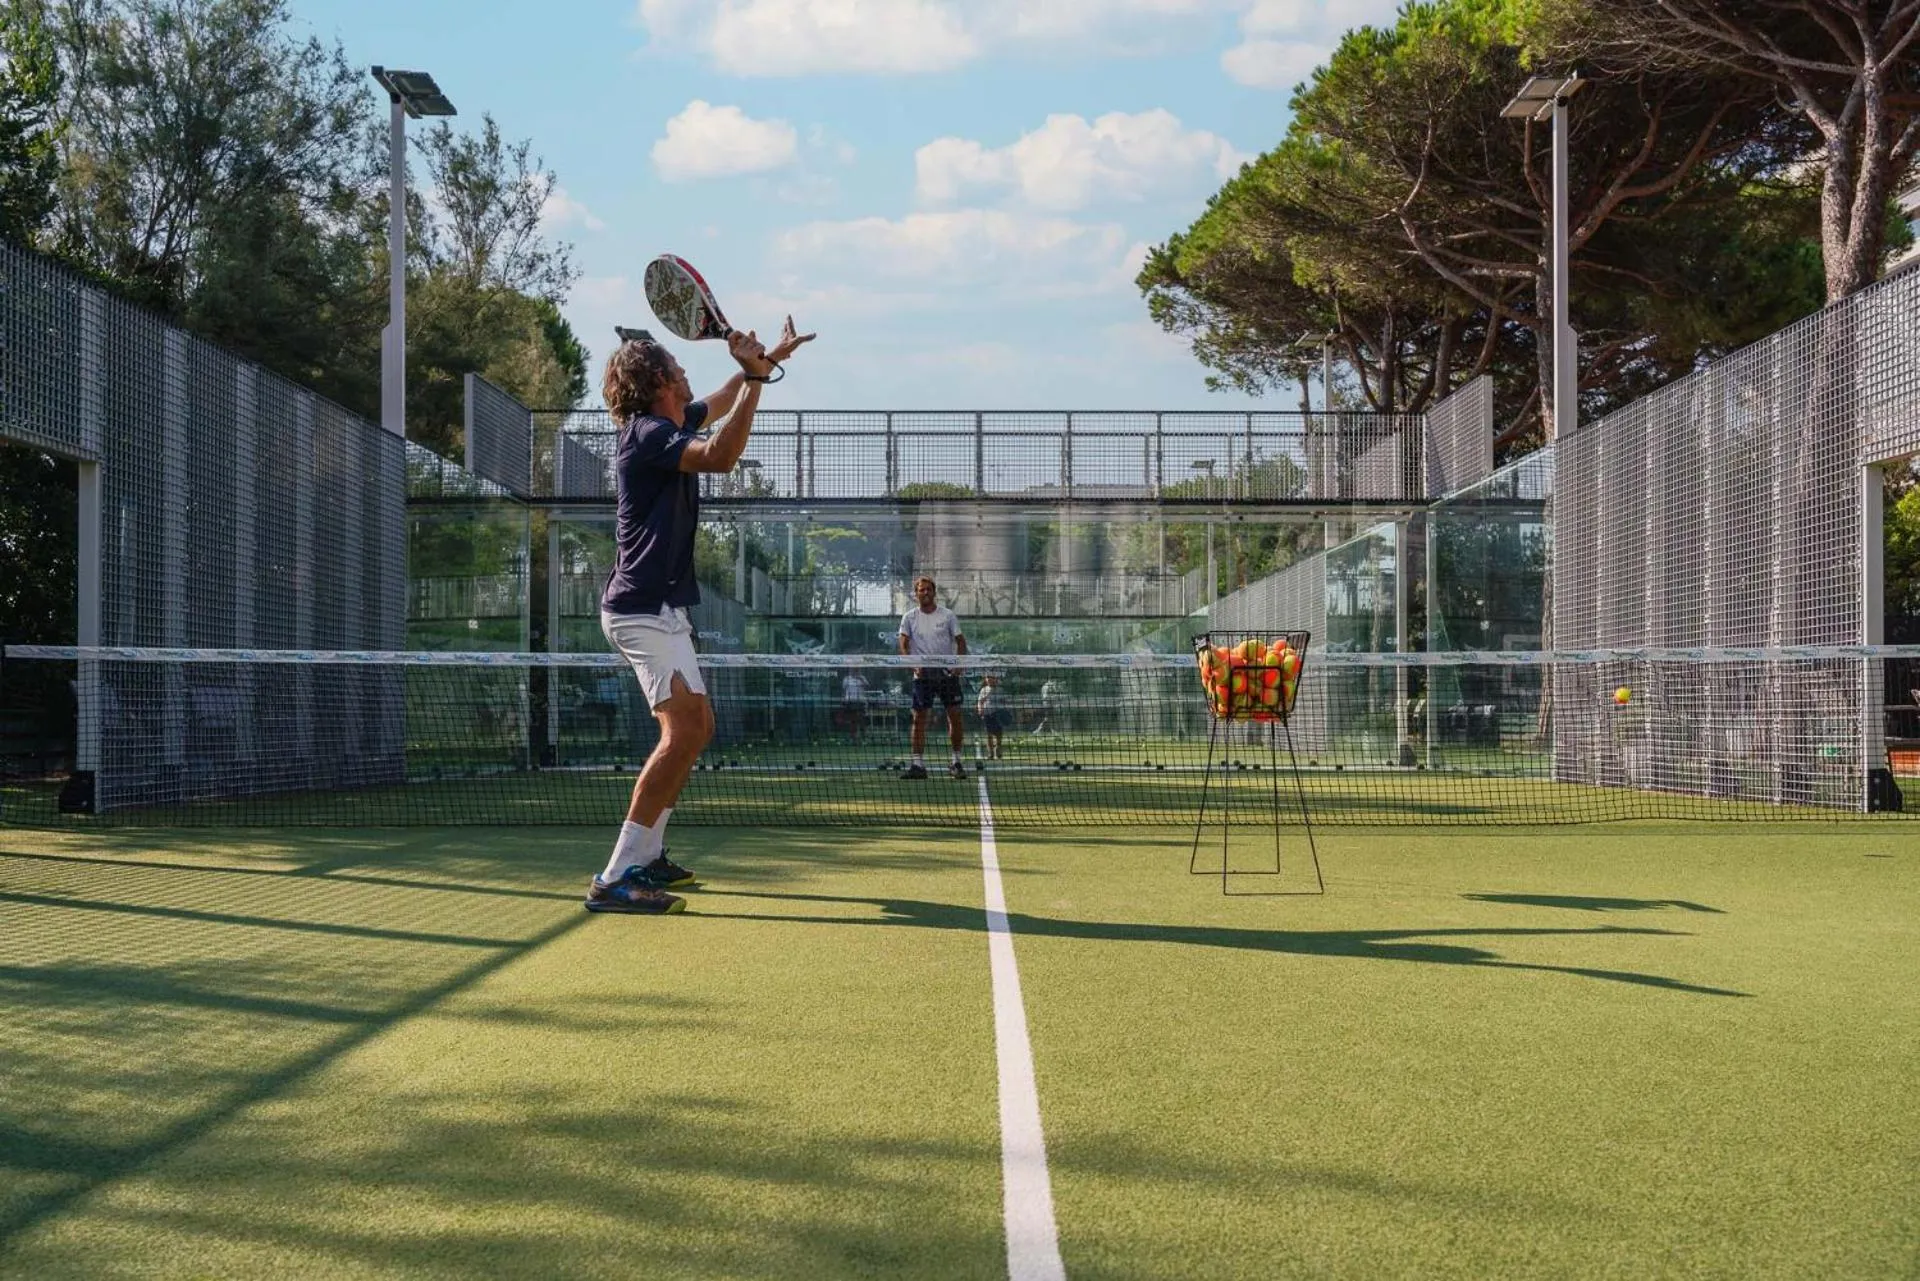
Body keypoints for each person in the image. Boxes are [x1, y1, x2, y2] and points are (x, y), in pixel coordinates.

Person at [586, 315, 816, 915]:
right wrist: (756, 380)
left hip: (660, 607)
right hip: (641, 610)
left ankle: (649, 852)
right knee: (682, 730)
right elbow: (721, 457)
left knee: (699, 727)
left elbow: (718, 401)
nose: (688, 373)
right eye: (679, 367)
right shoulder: (646, 436)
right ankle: (616, 876)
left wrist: (755, 368)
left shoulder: (667, 423)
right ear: (660, 379)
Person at [898, 575, 969, 780]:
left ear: (934, 592)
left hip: (947, 674)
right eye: (922, 590)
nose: (925, 593)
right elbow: (903, 645)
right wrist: (913, 664)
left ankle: (956, 762)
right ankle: (918, 765)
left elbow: (961, 642)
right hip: (922, 676)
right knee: (919, 719)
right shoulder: (909, 617)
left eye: (929, 589)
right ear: (916, 594)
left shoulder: (947, 615)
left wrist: (958, 664)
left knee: (954, 715)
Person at [976, 672, 1006, 761]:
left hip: (998, 715)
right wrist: (980, 709)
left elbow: (1004, 702)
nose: (989, 679)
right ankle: (990, 754)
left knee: (999, 735)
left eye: (991, 677)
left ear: (995, 679)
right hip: (987, 714)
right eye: (987, 677)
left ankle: (998, 752)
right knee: (988, 735)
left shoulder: (1001, 690)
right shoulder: (983, 690)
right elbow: (980, 702)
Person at [840, 668, 869, 745]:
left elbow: (867, 686)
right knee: (852, 721)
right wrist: (843, 700)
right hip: (849, 702)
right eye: (852, 670)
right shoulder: (846, 679)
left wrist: (860, 678)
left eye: (856, 670)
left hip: (860, 702)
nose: (854, 671)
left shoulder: (862, 678)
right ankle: (853, 739)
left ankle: (864, 739)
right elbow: (844, 690)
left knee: (862, 720)